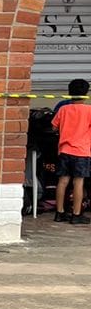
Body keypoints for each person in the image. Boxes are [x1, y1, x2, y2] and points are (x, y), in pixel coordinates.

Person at [52, 78, 91, 224]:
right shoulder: (89, 110)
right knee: (78, 182)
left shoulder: (63, 109)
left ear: (69, 93)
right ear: (86, 94)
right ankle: (76, 214)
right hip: (81, 151)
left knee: (62, 181)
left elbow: (54, 127)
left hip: (64, 150)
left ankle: (59, 212)